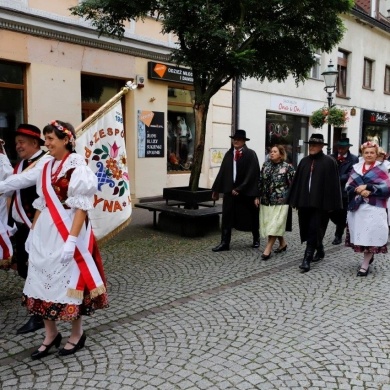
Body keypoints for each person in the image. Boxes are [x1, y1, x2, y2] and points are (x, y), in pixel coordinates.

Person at [22, 120, 108, 359]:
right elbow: (41, 202)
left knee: (68, 285)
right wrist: (32, 231)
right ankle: (50, 334)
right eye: (46, 138)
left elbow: (81, 207)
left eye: (50, 139)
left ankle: (77, 334)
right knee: (39, 280)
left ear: (66, 140)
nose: (46, 143)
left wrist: (72, 240)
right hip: (45, 232)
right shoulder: (47, 165)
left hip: (68, 230)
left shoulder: (78, 167)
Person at [0, 124, 52, 334]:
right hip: (22, 227)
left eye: (21, 142)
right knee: (22, 267)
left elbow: (18, 183)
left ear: (34, 143)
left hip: (37, 225)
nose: (18, 146)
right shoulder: (21, 164)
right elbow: (11, 186)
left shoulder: (43, 162)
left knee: (35, 270)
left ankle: (40, 315)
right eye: (16, 143)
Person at [287, 133, 342, 272]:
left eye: (315, 145)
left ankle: (307, 258)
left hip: (321, 204)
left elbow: (334, 185)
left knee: (314, 228)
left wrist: (332, 205)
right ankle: (320, 249)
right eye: (310, 145)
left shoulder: (329, 162)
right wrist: (295, 200)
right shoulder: (304, 161)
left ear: (321, 146)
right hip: (304, 203)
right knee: (306, 227)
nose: (311, 147)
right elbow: (297, 182)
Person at [345, 141, 390, 277]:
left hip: (375, 208)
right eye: (366, 152)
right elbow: (348, 186)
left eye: (372, 152)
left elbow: (387, 188)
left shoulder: (382, 168)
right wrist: (358, 190)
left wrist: (369, 188)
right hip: (358, 208)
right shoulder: (356, 168)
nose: (369, 155)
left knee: (371, 235)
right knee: (362, 235)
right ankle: (368, 257)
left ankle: (364, 266)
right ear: (362, 154)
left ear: (376, 155)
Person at [212, 129, 260, 251]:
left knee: (251, 215)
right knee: (227, 216)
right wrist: (216, 189)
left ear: (244, 141)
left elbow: (253, 173)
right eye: (234, 139)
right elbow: (222, 172)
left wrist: (240, 188)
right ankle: (224, 242)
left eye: (238, 139)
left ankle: (256, 238)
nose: (236, 141)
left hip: (246, 191)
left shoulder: (250, 154)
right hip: (229, 191)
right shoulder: (229, 154)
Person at [256, 145, 295, 260]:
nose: (271, 153)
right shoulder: (265, 165)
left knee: (275, 224)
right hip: (266, 200)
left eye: (274, 151)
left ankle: (268, 249)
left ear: (281, 154)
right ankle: (282, 243)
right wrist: (257, 196)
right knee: (270, 224)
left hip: (281, 201)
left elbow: (293, 184)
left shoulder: (287, 167)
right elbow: (260, 181)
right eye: (270, 151)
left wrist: (293, 199)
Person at [329, 138, 359, 245]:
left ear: (348, 148)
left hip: (344, 191)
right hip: (331, 191)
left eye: (343, 148)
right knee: (331, 213)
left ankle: (338, 235)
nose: (340, 150)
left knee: (342, 214)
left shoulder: (354, 159)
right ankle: (343, 225)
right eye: (339, 147)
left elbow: (351, 174)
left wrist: (336, 178)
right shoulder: (330, 157)